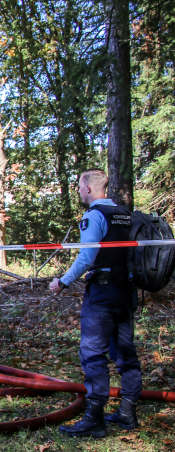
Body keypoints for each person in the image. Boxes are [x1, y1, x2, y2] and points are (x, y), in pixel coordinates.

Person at [50, 168, 140, 438]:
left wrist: (62, 282)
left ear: (89, 188)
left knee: (93, 354)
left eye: (79, 186)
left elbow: (87, 258)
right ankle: (127, 412)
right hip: (126, 291)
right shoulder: (125, 214)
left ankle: (94, 419)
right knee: (126, 353)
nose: (78, 190)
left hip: (102, 293)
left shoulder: (94, 216)